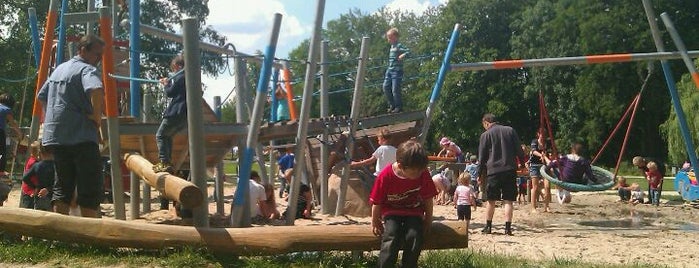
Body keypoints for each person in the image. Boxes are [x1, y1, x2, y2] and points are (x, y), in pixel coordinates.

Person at [37, 35, 105, 218]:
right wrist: (97, 117)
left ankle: (60, 234)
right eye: (97, 54)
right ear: (83, 50)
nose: (99, 59)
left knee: (62, 187)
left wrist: (55, 116)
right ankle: (90, 238)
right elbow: (96, 89)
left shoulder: (59, 69)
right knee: (89, 187)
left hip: (57, 137)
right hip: (82, 136)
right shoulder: (86, 69)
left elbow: (42, 96)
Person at [370, 139, 437, 268]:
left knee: (414, 234)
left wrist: (428, 220)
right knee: (391, 234)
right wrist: (375, 221)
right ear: (400, 166)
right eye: (414, 172)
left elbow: (428, 199)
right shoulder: (386, 176)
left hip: (414, 210)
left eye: (420, 171)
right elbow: (376, 201)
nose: (418, 175)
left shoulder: (422, 173)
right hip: (391, 210)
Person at [478, 113, 525, 236]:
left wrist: (479, 173)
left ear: (486, 122)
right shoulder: (510, 131)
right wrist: (523, 165)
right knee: (508, 200)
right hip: (510, 169)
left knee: (491, 200)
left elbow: (482, 158)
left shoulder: (485, 135)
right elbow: (519, 151)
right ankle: (508, 228)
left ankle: (488, 226)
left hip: (493, 171)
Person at [153, 55, 187, 174]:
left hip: (176, 112)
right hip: (185, 116)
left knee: (160, 135)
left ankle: (164, 161)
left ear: (178, 67)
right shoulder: (190, 78)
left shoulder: (181, 77)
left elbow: (170, 92)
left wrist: (166, 84)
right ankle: (167, 161)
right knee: (168, 136)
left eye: (173, 69)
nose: (173, 72)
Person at [382, 27, 410, 114]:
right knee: (385, 87)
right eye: (388, 37)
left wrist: (403, 55)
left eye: (390, 37)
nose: (388, 39)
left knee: (395, 89)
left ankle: (399, 106)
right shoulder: (392, 46)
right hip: (389, 70)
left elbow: (409, 51)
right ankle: (392, 105)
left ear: (395, 37)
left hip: (397, 71)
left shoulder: (399, 46)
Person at [22, 145, 55, 211]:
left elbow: (25, 178)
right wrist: (48, 189)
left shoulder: (37, 165)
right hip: (52, 197)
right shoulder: (57, 166)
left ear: (40, 153)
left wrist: (35, 187)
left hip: (39, 195)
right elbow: (61, 181)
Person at [0, 93, 22, 178]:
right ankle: (1, 171)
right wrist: (19, 133)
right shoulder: (6, 109)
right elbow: (12, 123)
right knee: (2, 151)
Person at [528, 130, 550, 213]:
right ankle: (533, 207)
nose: (543, 136)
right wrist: (541, 155)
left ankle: (546, 206)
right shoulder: (534, 141)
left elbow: (550, 153)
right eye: (542, 135)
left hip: (544, 166)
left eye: (545, 135)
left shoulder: (547, 143)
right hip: (534, 165)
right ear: (538, 134)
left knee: (547, 186)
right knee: (535, 187)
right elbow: (533, 151)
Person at [19, 141, 41, 209]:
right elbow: (26, 178)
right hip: (30, 191)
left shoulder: (32, 160)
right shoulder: (34, 163)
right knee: (28, 209)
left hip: (29, 190)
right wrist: (35, 187)